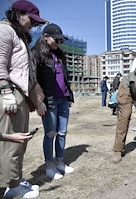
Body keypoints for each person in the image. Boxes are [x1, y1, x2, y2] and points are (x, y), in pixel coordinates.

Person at [0, 0, 46, 198]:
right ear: (18, 14)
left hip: (21, 93)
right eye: (31, 20)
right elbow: (0, 62)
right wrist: (5, 91)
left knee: (21, 141)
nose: (33, 25)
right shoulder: (5, 31)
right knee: (11, 142)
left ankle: (16, 179)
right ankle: (10, 185)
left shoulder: (20, 35)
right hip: (10, 92)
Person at [31, 23, 75, 180]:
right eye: (56, 40)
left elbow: (65, 77)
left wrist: (69, 97)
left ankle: (59, 162)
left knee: (62, 133)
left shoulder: (60, 54)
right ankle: (49, 166)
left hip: (63, 99)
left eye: (61, 41)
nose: (59, 43)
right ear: (45, 36)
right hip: (48, 102)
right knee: (50, 133)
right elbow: (33, 78)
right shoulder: (36, 53)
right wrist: (38, 101)